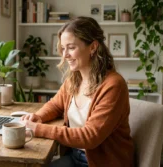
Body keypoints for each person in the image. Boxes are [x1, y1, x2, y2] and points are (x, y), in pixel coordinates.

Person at [21, 16, 134, 167]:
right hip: (75, 156)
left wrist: (39, 129)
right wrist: (38, 117)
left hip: (103, 162)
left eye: (71, 47)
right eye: (63, 48)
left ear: (93, 47)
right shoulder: (74, 79)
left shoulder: (113, 85)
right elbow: (55, 105)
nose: (65, 55)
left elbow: (89, 137)